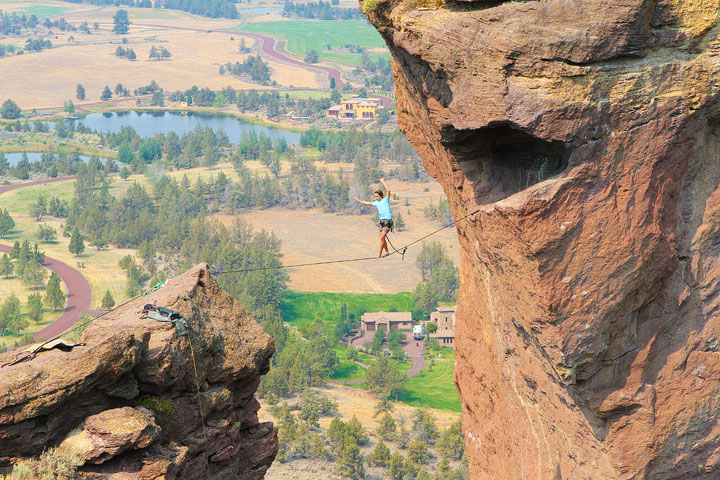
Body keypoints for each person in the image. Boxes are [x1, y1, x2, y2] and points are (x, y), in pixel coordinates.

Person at [355, 177, 393, 258]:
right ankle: (387, 252)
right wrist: (359, 201)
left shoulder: (386, 200)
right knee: (382, 238)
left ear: (380, 196)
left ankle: (379, 254)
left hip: (388, 221)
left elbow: (388, 190)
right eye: (375, 196)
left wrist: (383, 181)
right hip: (382, 222)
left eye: (377, 196)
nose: (376, 197)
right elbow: (367, 203)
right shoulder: (376, 203)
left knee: (382, 237)